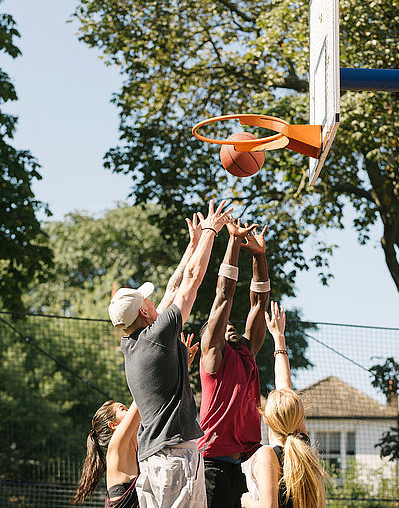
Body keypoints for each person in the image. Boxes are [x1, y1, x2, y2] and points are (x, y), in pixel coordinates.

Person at [108, 199, 233, 508]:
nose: (155, 300)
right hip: (175, 458)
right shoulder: (158, 336)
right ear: (145, 311)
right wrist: (209, 231)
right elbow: (190, 281)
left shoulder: (136, 342)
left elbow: (174, 284)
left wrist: (191, 247)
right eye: (146, 300)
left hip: (152, 462)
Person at [70, 334, 198, 507]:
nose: (128, 410)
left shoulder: (140, 441)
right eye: (122, 409)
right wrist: (170, 362)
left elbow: (162, 400)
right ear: (113, 425)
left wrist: (182, 367)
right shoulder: (116, 446)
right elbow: (145, 395)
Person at [198, 219, 270, 508]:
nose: (228, 323)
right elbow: (223, 295)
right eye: (220, 323)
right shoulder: (213, 355)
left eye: (230, 323)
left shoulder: (245, 352)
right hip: (211, 464)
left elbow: (259, 305)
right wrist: (233, 242)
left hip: (245, 463)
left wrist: (259, 255)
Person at [241, 301, 328, 508]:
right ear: (298, 418)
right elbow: (285, 389)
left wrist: (245, 500)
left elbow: (269, 507)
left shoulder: (267, 454)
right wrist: (279, 339)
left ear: (268, 419)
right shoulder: (303, 447)